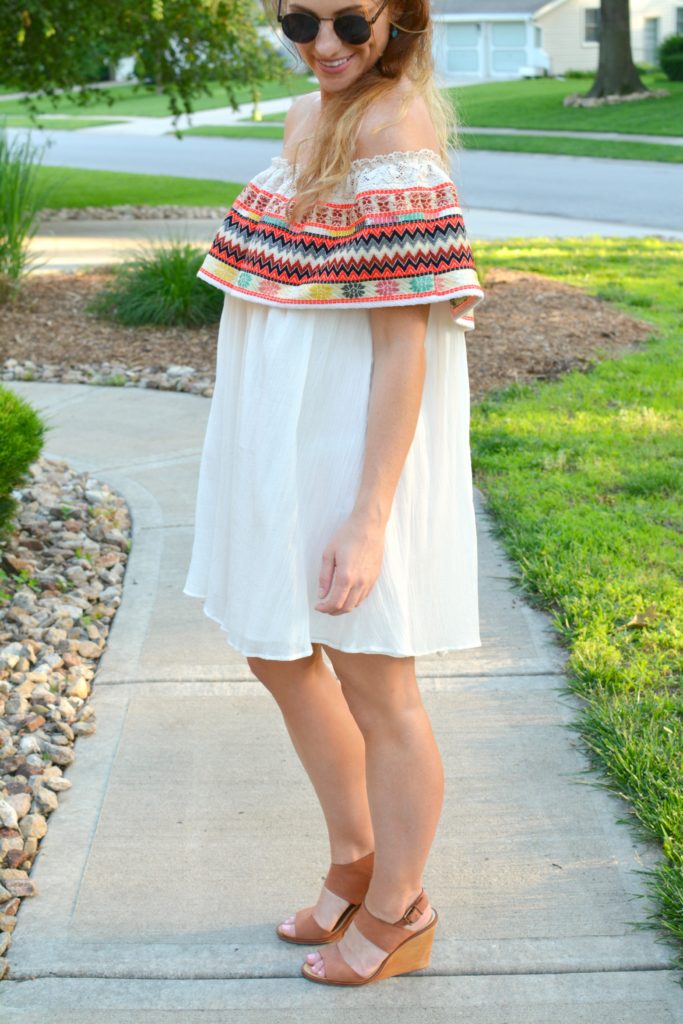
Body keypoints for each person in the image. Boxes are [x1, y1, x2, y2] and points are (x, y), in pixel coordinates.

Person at [183, 0, 485, 987]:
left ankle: (399, 904)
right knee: (277, 650)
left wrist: (369, 516)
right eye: (298, 21)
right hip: (285, 430)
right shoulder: (303, 119)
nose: (323, 47)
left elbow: (402, 343)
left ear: (396, 18)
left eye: (348, 23)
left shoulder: (396, 123)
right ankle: (354, 859)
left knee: (374, 678)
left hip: (353, 441)